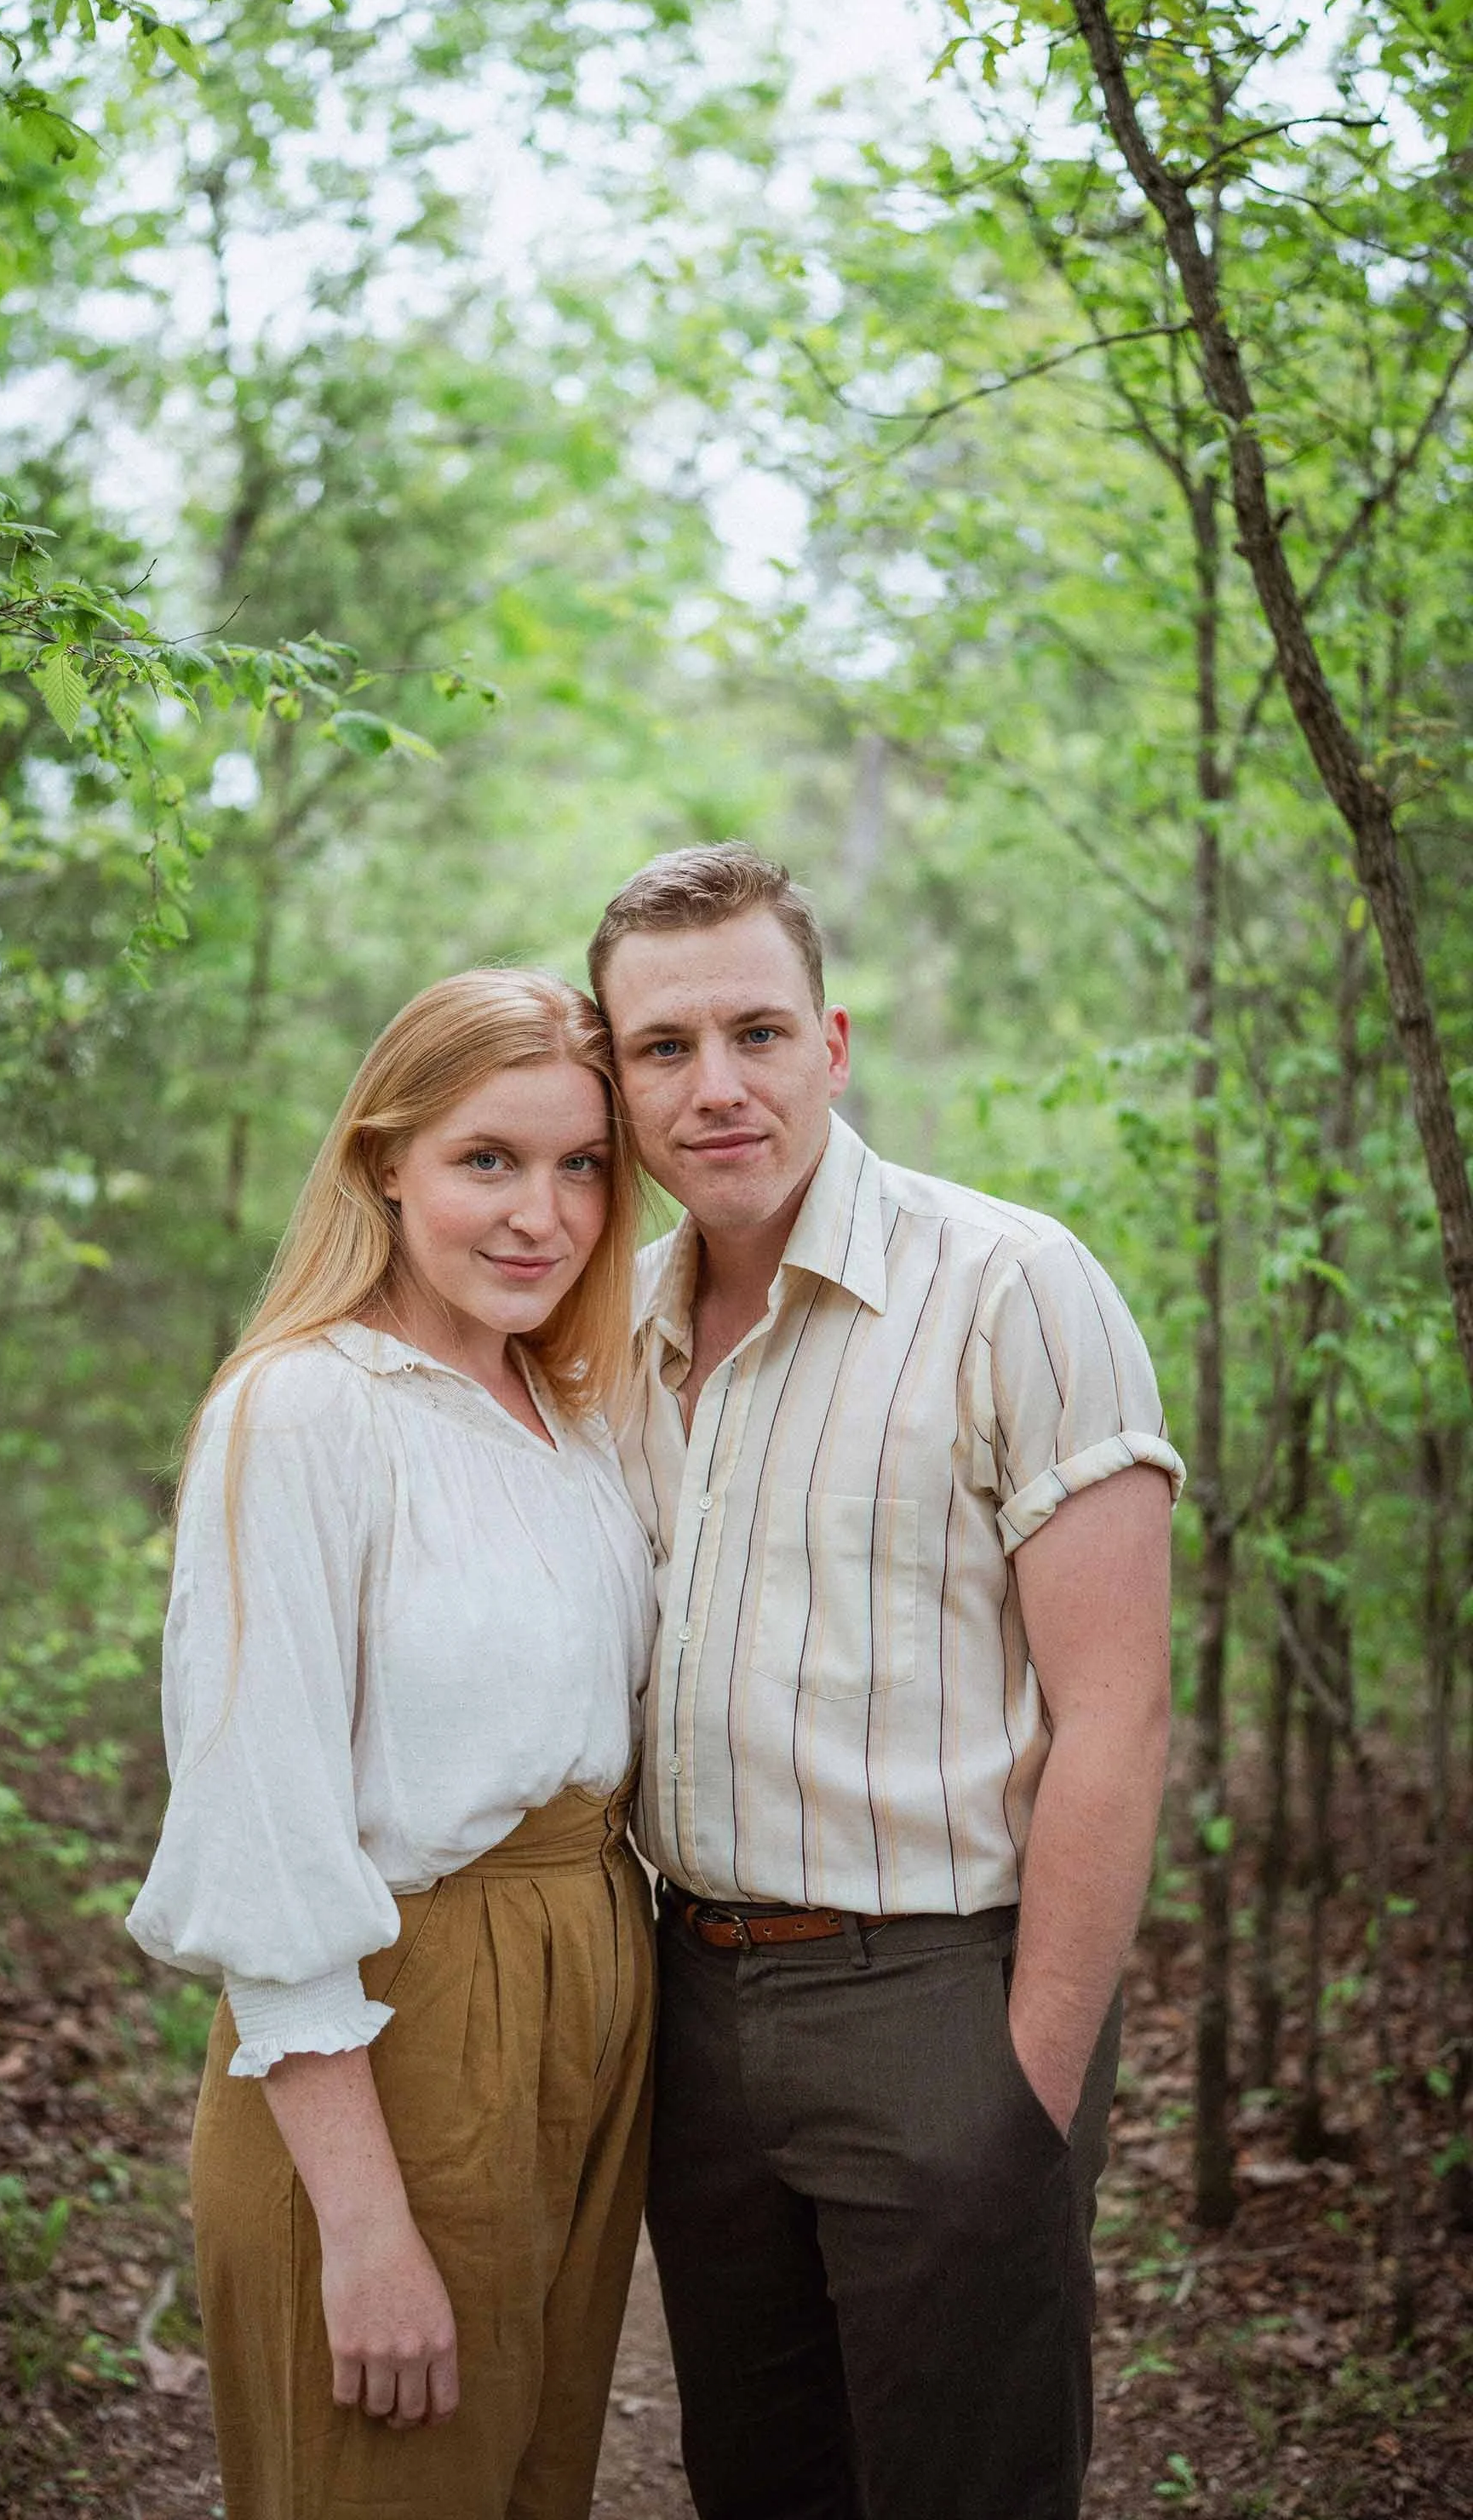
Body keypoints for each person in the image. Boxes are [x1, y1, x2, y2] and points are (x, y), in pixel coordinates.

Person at [587, 846, 1184, 2520]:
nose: (718, 1087)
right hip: (690, 2002)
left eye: (757, 1033)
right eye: (663, 1048)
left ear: (832, 1045)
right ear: (616, 1078)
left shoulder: (1013, 1286)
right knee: (760, 2484)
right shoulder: (609, 1328)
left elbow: (1116, 1717)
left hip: (940, 1997)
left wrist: (1026, 2095)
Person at [126, 968, 656, 2520]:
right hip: (393, 2031)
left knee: (525, 2481)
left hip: (584, 2000)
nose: (539, 1215)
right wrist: (364, 2229)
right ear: (383, 1164)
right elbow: (264, 1825)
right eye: (488, 1159)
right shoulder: (303, 1413)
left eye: (579, 1167)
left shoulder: (575, 1416)